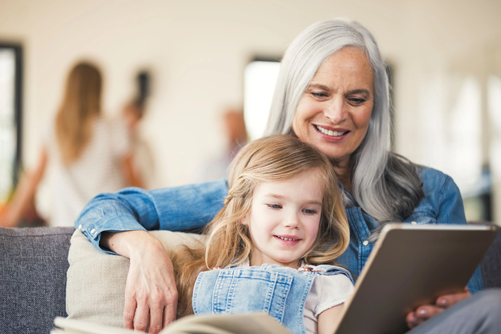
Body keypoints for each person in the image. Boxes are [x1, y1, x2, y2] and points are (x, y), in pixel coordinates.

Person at [75, 18, 501, 334]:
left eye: (356, 98)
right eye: (319, 93)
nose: (337, 114)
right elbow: (105, 207)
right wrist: (145, 250)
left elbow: (471, 302)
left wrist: (457, 307)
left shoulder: (435, 189)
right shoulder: (254, 187)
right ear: (291, 93)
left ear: (375, 107)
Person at [173, 135, 353, 334]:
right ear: (243, 210)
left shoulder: (329, 286)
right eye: (275, 205)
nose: (292, 221)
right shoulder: (210, 277)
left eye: (309, 210)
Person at [0, 62, 144, 227]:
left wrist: (9, 219)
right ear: (98, 89)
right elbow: (132, 178)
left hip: (66, 223)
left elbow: (35, 175)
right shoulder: (114, 127)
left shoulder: (54, 124)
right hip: (107, 221)